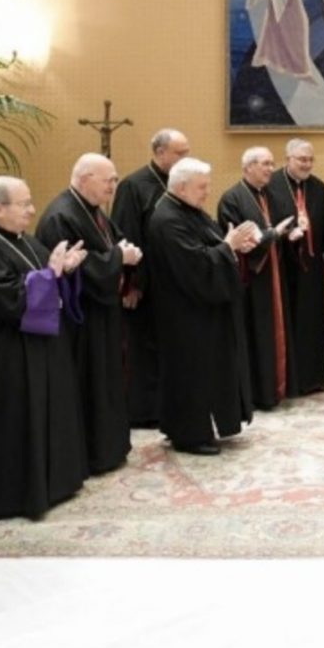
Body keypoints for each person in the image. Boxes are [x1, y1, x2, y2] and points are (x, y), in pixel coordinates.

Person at [0, 177, 89, 519]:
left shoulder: (27, 243)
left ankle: (53, 481)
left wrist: (66, 270)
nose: (32, 209)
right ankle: (11, 494)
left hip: (38, 348)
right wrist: (51, 275)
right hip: (3, 355)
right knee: (14, 422)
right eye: (24, 203)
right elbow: (11, 301)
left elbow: (48, 276)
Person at [35, 153, 141, 475]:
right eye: (108, 179)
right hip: (81, 320)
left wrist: (123, 254)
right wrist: (119, 258)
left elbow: (112, 244)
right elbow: (78, 267)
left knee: (107, 380)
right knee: (90, 383)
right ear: (84, 180)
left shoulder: (93, 210)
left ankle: (110, 447)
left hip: (103, 315)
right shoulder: (60, 216)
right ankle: (94, 453)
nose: (114, 185)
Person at [147, 158, 259, 454]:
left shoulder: (186, 210)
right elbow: (195, 265)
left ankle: (182, 427)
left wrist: (233, 246)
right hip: (185, 314)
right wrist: (227, 248)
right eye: (202, 187)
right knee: (190, 374)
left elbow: (208, 244)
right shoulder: (168, 219)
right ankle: (190, 435)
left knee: (198, 372)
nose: (207, 192)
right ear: (182, 187)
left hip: (198, 312)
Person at [111, 128, 190, 428]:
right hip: (143, 286)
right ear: (159, 153)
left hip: (171, 284)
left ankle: (164, 407)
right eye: (180, 153)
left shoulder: (178, 184)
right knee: (143, 349)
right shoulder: (134, 186)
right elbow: (126, 236)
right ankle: (142, 411)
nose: (185, 158)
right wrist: (131, 284)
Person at [218, 146, 301, 408]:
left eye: (271, 163)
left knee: (277, 331)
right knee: (256, 334)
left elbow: (280, 232)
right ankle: (258, 393)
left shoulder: (272, 195)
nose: (270, 169)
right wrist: (272, 236)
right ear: (249, 167)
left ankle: (279, 387)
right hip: (251, 282)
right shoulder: (231, 199)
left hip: (276, 276)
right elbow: (237, 244)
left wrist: (289, 236)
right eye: (265, 164)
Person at [268, 138, 324, 395]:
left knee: (311, 321)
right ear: (288, 159)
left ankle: (313, 376)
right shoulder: (272, 185)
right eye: (301, 159)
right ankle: (288, 378)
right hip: (284, 265)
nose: (307, 164)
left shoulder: (319, 187)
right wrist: (287, 237)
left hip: (311, 268)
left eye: (310, 159)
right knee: (288, 319)